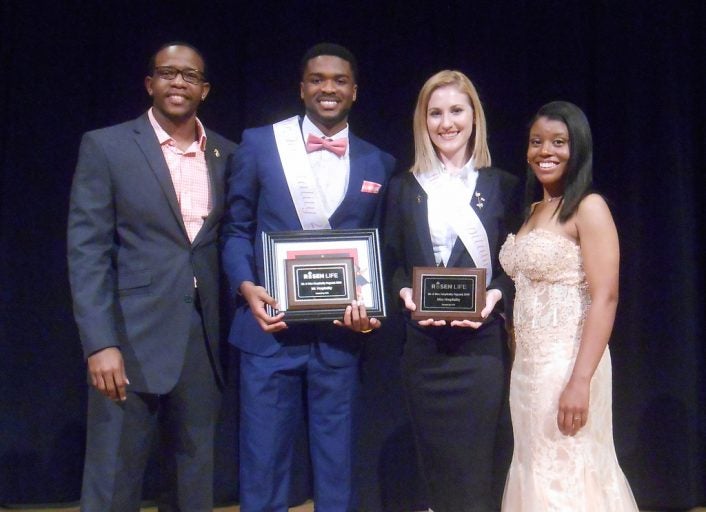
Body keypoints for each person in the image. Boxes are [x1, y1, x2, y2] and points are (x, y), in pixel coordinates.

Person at [221, 42, 395, 511]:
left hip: (339, 340)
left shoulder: (379, 163)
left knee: (337, 469)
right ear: (302, 88)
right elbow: (236, 230)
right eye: (318, 79)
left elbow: (379, 253)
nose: (328, 88)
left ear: (354, 91)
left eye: (339, 80)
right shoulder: (259, 144)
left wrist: (371, 312)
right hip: (268, 331)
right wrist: (245, 286)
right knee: (263, 467)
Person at [67, 42, 237, 511]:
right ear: (150, 83)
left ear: (204, 89)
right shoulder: (107, 146)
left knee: (194, 474)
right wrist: (100, 343)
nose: (178, 82)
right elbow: (88, 252)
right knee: (114, 475)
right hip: (129, 337)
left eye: (189, 75)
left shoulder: (227, 153)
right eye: (167, 72)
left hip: (202, 339)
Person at [383, 70, 519, 511]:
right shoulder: (404, 188)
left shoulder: (503, 185)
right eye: (435, 112)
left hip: (480, 349)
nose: (446, 123)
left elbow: (514, 269)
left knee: (478, 463)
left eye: (456, 110)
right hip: (424, 350)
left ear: (474, 116)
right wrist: (405, 293)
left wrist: (495, 296)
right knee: (435, 464)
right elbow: (395, 263)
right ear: (423, 121)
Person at [498, 101, 638, 510]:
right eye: (537, 142)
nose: (546, 151)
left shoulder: (588, 208)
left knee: (569, 471)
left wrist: (579, 380)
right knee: (535, 466)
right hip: (527, 371)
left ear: (577, 149)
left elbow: (606, 297)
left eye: (559, 142)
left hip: (569, 363)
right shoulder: (534, 211)